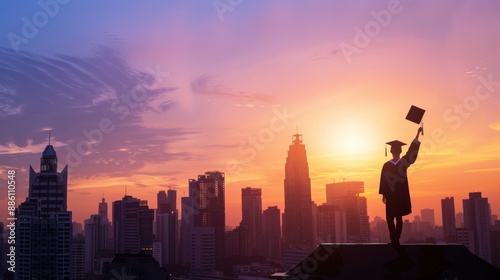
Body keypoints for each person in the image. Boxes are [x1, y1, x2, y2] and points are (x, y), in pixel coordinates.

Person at [379, 127, 423, 246]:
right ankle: (395, 240)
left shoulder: (389, 165)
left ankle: (394, 240)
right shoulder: (399, 163)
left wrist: (384, 194)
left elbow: (383, 181)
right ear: (398, 151)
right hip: (396, 196)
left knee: (393, 218)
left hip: (394, 196)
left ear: (392, 151)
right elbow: (411, 153)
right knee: (395, 217)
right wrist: (417, 134)